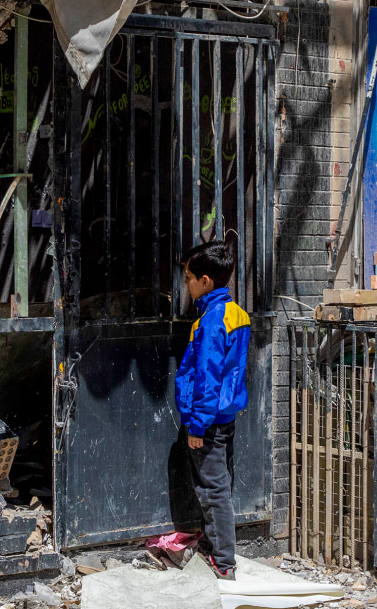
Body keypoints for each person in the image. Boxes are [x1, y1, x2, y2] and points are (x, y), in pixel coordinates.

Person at [174, 241, 250, 580]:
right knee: (219, 485)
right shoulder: (236, 314)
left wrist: (197, 426)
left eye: (188, 278)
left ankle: (224, 562)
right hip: (225, 416)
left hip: (208, 421)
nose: (186, 284)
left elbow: (207, 377)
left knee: (212, 490)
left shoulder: (212, 321)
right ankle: (216, 549)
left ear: (205, 281)